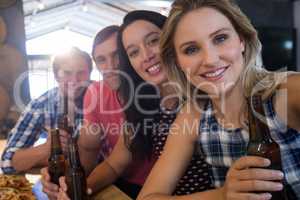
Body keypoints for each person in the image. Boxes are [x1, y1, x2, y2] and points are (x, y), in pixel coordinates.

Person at [137, 0, 300, 199]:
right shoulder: (194, 115)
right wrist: (222, 194)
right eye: (191, 49)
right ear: (178, 62)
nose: (210, 60)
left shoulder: (285, 91)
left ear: (241, 39)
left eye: (220, 38)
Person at [57, 10, 214, 200]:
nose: (146, 55)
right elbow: (115, 163)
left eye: (153, 41)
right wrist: (79, 190)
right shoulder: (145, 104)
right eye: (134, 52)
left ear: (174, 38)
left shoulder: (206, 96)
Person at [41, 25, 155, 199]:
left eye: (117, 54)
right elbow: (92, 153)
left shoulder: (154, 91)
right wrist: (67, 185)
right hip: (120, 184)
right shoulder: (95, 93)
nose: (111, 66)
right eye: (101, 59)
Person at [0, 47, 92, 174]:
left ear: (90, 75)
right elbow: (7, 162)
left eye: (81, 72)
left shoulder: (104, 97)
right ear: (56, 76)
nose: (75, 80)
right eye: (67, 73)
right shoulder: (41, 105)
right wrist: (46, 149)